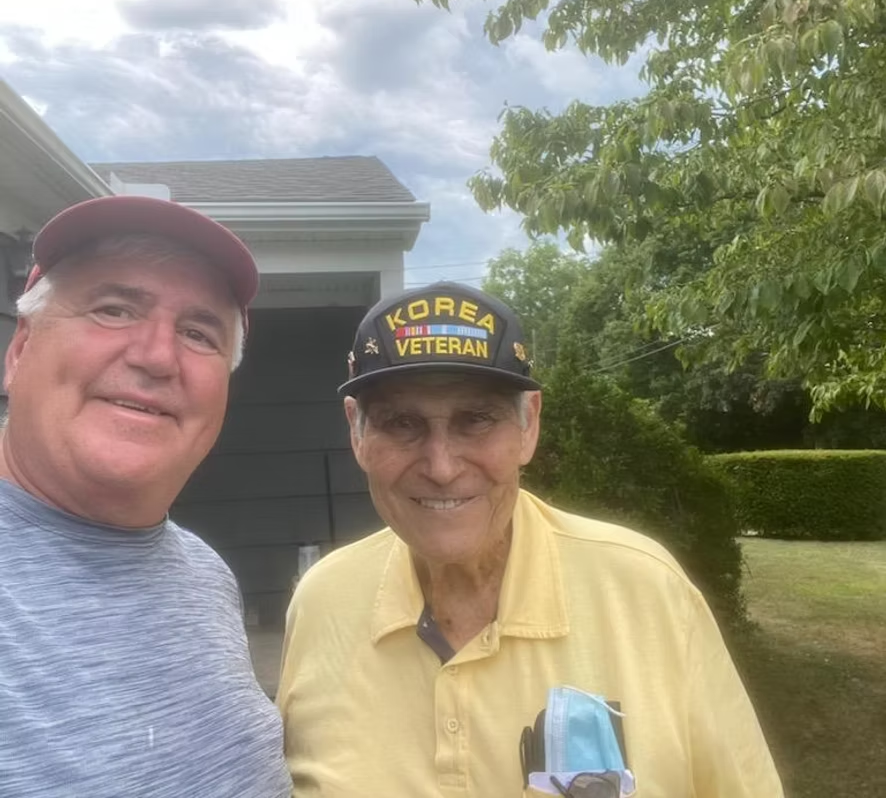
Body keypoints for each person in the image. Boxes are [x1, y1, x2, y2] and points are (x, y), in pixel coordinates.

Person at [276, 281, 784, 797]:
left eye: (477, 419)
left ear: (529, 425)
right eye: (401, 422)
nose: (442, 467)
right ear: (357, 433)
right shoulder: (322, 603)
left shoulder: (649, 592)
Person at [0, 195, 291, 797]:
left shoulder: (205, 574)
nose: (158, 356)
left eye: (198, 333)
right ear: (20, 350)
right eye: (113, 309)